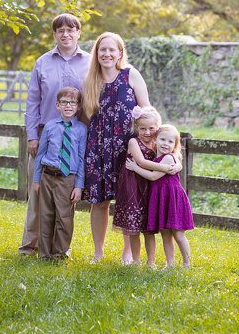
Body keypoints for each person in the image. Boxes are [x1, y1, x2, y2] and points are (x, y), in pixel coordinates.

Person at [20, 13, 89, 256]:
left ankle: (61, 248)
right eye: (60, 30)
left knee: (65, 199)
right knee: (38, 195)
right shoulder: (43, 62)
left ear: (79, 33)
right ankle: (30, 246)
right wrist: (31, 136)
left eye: (71, 30)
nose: (66, 34)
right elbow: (32, 102)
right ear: (54, 35)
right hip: (45, 138)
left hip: (75, 141)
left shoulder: (90, 63)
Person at [80, 31, 151, 262]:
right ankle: (98, 252)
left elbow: (148, 111)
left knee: (126, 199)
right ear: (97, 53)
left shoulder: (130, 75)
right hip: (98, 148)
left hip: (126, 147)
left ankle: (127, 252)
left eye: (112, 50)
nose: (107, 54)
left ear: (120, 53)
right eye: (103, 50)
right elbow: (85, 118)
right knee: (99, 202)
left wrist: (152, 141)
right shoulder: (91, 80)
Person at [112, 107, 180, 265]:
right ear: (137, 128)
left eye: (151, 128)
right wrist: (166, 169)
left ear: (157, 127)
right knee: (134, 228)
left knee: (148, 229)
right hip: (133, 187)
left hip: (151, 187)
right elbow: (142, 162)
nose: (147, 132)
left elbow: (173, 156)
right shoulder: (133, 142)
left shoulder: (158, 143)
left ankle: (151, 262)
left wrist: (178, 167)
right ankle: (136, 260)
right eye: (143, 128)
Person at [127, 124, 194, 268]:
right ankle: (170, 264)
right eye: (163, 139)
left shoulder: (169, 159)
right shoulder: (155, 156)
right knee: (165, 235)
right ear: (155, 140)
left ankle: (187, 263)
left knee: (178, 234)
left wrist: (135, 168)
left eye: (171, 142)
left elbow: (152, 176)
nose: (166, 144)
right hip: (161, 199)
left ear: (175, 146)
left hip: (173, 199)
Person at [31, 86, 86, 260]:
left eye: (72, 102)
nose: (68, 106)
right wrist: (37, 179)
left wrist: (79, 185)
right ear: (57, 105)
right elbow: (40, 154)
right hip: (48, 176)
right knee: (46, 216)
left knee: (64, 218)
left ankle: (60, 254)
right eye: (64, 102)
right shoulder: (50, 126)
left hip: (67, 179)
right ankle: (44, 254)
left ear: (78, 107)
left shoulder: (81, 129)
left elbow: (83, 159)